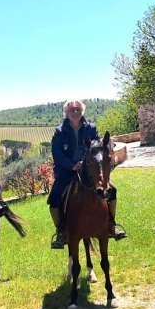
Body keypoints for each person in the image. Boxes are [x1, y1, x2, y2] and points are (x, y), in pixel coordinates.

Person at [46, 100, 126, 249]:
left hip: (90, 170)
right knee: (54, 199)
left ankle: (111, 225)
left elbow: (97, 146)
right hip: (67, 172)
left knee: (112, 190)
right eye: (72, 110)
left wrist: (87, 162)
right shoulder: (59, 132)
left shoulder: (91, 128)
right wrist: (72, 165)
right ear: (66, 113)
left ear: (82, 111)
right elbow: (57, 154)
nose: (75, 112)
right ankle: (61, 231)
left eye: (77, 110)